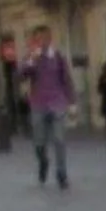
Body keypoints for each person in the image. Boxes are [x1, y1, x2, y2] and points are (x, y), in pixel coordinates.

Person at [20, 24, 74, 189]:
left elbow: (66, 79)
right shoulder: (30, 58)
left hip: (57, 103)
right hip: (38, 104)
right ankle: (43, 161)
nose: (40, 42)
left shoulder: (57, 57)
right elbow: (20, 76)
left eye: (43, 38)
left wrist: (72, 102)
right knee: (39, 142)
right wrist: (31, 61)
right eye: (37, 39)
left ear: (49, 39)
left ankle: (61, 174)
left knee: (59, 139)